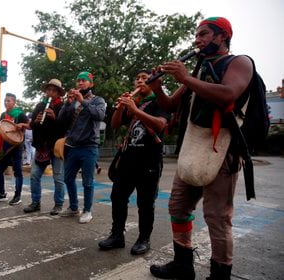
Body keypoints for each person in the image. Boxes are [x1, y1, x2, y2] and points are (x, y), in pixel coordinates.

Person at [148, 17, 253, 279]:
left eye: (204, 34)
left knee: (217, 217)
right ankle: (183, 265)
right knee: (178, 207)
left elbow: (229, 93)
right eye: (196, 35)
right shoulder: (199, 69)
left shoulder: (239, 62)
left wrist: (184, 76)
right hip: (193, 148)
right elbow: (172, 105)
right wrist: (158, 88)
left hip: (223, 150)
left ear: (222, 37)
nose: (197, 40)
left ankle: (220, 275)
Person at [98, 70, 170, 255]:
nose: (140, 81)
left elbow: (161, 125)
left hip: (149, 161)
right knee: (118, 197)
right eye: (137, 78)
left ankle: (143, 239)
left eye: (145, 78)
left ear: (153, 82)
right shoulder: (134, 102)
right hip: (128, 159)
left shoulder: (160, 102)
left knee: (145, 203)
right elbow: (114, 125)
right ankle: (117, 236)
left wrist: (136, 110)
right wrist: (121, 107)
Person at [58, 71, 106, 223]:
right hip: (72, 146)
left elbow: (100, 115)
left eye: (83, 81)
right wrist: (67, 103)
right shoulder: (73, 101)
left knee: (87, 181)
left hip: (89, 146)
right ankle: (73, 207)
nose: (80, 83)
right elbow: (61, 119)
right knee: (68, 178)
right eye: (78, 80)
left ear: (90, 84)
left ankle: (87, 210)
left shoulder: (98, 100)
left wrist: (83, 102)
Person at [23, 79, 67, 215]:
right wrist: (35, 121)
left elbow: (64, 128)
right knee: (34, 176)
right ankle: (35, 202)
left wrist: (55, 118)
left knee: (58, 178)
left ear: (59, 93)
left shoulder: (63, 107)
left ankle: (58, 204)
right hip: (42, 146)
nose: (50, 93)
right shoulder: (40, 105)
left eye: (54, 90)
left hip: (55, 146)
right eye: (49, 90)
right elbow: (32, 126)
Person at [0, 93, 29, 205]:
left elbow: (30, 125)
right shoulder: (3, 115)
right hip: (6, 147)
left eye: (8, 101)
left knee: (18, 172)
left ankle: (18, 196)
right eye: (5, 101)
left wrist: (21, 124)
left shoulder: (20, 114)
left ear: (14, 102)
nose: (6, 103)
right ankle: (1, 194)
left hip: (16, 147)